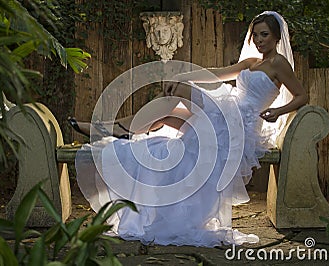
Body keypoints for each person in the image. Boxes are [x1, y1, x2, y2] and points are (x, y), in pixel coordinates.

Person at [74, 11, 308, 247]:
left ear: (277, 37)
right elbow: (216, 73)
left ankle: (119, 129)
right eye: (255, 35)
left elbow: (301, 96)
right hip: (225, 115)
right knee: (167, 113)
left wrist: (278, 111)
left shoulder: (279, 64)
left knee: (178, 92)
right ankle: (116, 129)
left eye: (264, 35)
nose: (258, 40)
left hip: (238, 124)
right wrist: (182, 74)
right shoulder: (251, 63)